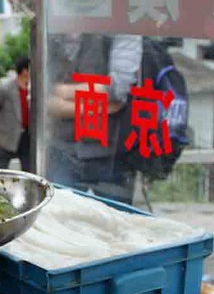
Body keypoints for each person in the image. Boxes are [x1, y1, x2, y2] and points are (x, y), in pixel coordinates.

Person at [45, 33, 142, 203]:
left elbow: (118, 89)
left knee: (115, 222)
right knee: (60, 218)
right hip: (61, 151)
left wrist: (61, 93)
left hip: (112, 155)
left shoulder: (121, 27)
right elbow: (40, 98)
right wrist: (103, 104)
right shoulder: (51, 29)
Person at [0, 56, 31, 171]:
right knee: (1, 167)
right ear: (24, 71)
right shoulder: (6, 87)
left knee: (28, 167)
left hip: (26, 135)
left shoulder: (32, 87)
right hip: (7, 135)